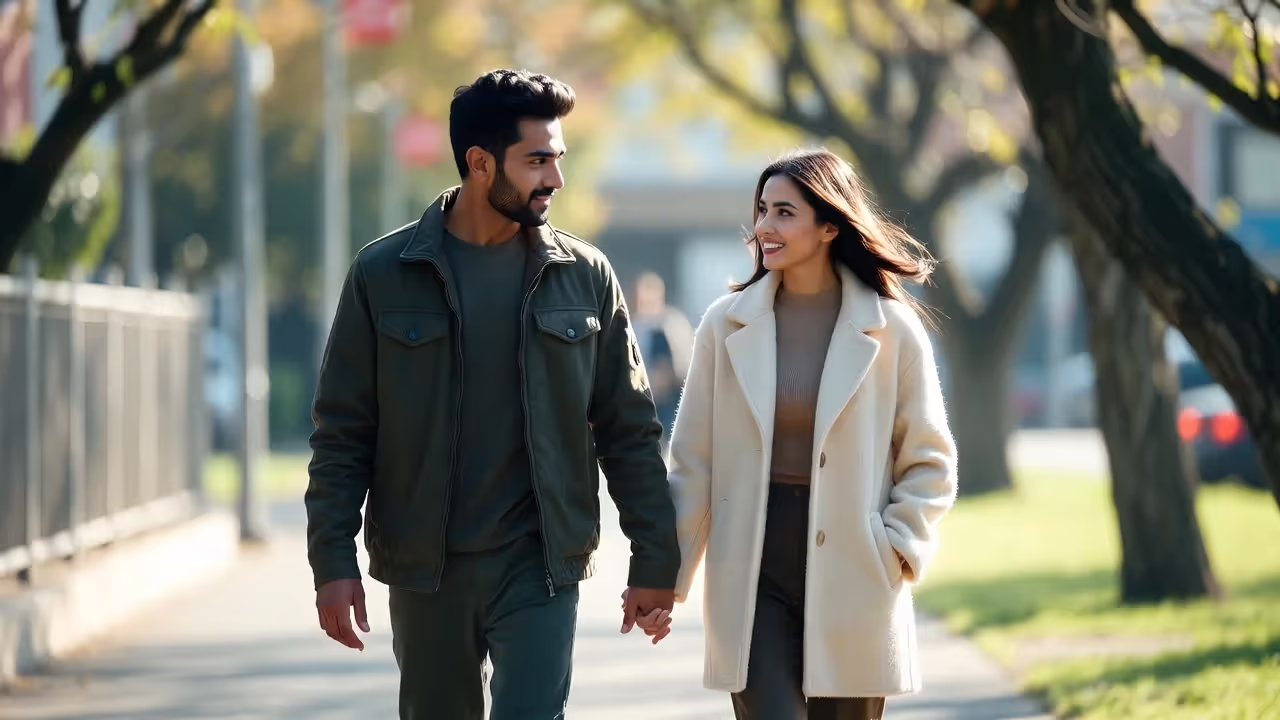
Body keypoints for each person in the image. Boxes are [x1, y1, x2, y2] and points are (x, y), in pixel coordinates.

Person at [304, 69, 681, 720]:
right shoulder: (382, 274)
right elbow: (344, 433)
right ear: (480, 163)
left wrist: (655, 558)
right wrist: (332, 562)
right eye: (537, 162)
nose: (555, 179)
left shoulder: (585, 276)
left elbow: (628, 429)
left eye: (557, 159)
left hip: (540, 566)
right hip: (426, 569)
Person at [642, 148, 959, 719]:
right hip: (753, 566)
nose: (764, 226)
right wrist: (665, 576)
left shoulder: (893, 330)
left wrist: (895, 548)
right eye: (762, 210)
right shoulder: (724, 324)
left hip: (857, 569)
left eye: (784, 213)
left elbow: (929, 459)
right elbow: (693, 462)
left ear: (830, 226)